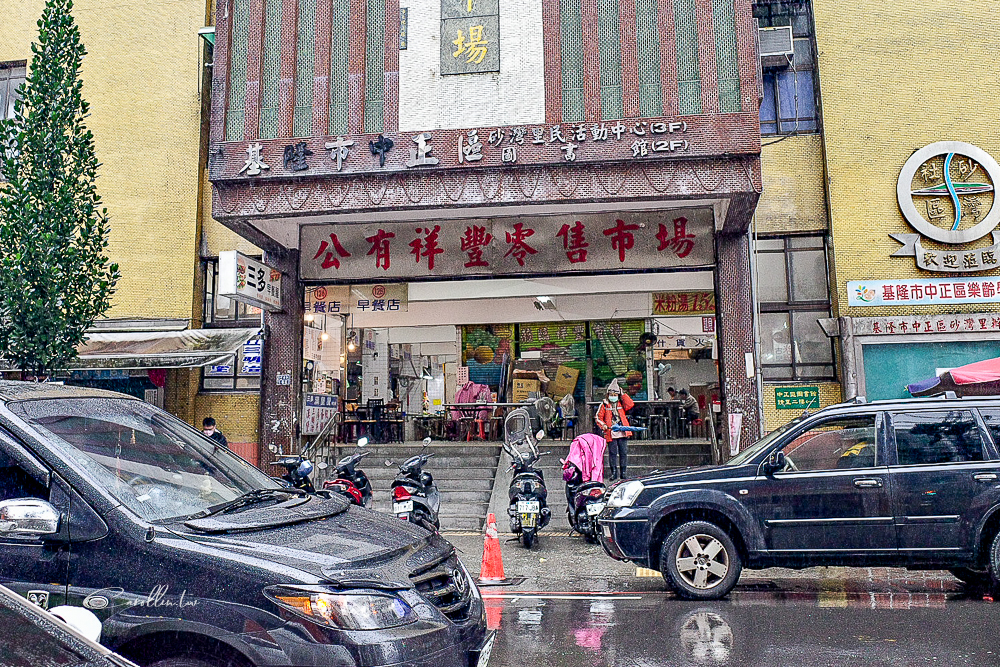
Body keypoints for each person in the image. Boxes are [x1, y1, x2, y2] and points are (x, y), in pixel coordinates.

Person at [594, 379, 634, 480]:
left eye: (615, 394)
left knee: (623, 452)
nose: (613, 396)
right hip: (611, 432)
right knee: (612, 453)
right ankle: (614, 473)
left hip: (622, 431)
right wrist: (603, 425)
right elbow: (598, 417)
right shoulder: (604, 404)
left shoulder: (621, 403)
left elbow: (630, 404)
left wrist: (623, 394)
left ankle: (623, 473)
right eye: (611, 394)